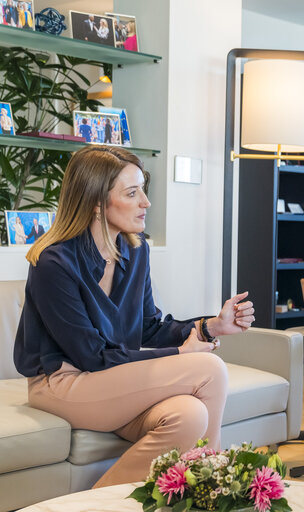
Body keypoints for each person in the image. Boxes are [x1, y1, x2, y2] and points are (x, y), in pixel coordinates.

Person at [13, 146, 255, 488]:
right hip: (61, 383)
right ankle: (211, 493)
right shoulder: (54, 263)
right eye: (132, 192)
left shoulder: (135, 249)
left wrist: (210, 326)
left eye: (144, 189)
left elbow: (149, 327)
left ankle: (95, 506)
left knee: (190, 415)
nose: (146, 202)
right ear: (96, 202)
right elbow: (92, 357)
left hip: (109, 380)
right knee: (210, 368)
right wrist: (182, 355)